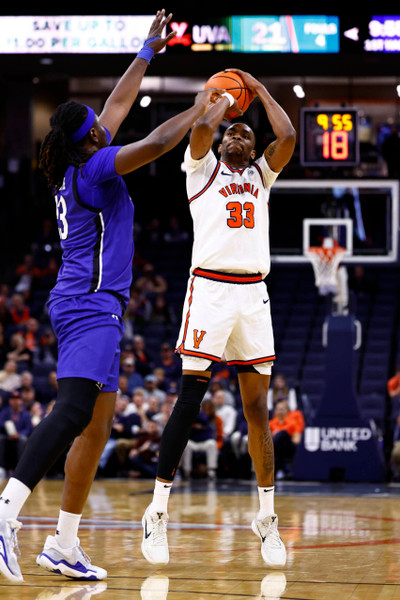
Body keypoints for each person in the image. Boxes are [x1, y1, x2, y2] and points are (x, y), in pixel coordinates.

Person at [0, 9, 221, 584]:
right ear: (92, 137)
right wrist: (200, 110)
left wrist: (147, 51)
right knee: (74, 411)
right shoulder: (98, 167)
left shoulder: (79, 161)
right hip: (89, 303)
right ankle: (6, 511)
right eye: (98, 123)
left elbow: (119, 106)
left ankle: (63, 544)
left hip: (92, 303)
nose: (106, 121)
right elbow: (155, 141)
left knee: (97, 426)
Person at [141, 68, 296, 568]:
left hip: (253, 296)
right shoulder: (201, 168)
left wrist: (259, 88)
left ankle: (266, 518)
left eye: (245, 134)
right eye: (232, 132)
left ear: (253, 149)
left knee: (257, 410)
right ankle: (157, 512)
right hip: (209, 290)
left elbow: (288, 137)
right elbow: (203, 128)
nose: (236, 136)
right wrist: (222, 99)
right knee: (190, 402)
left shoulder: (261, 176)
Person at [269, 398, 305, 480]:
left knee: (282, 434)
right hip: (274, 451)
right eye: (278, 409)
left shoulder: (293, 423)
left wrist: (281, 437)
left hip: (288, 449)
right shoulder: (270, 424)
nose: (280, 411)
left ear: (287, 411)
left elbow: (297, 440)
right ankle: (280, 469)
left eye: (282, 409)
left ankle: (279, 468)